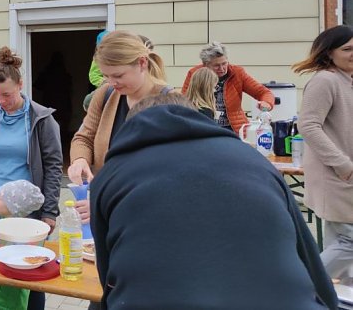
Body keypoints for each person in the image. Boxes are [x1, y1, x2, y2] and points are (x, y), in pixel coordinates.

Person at [90, 93, 337, 309]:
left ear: (132, 127)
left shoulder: (113, 172)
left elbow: (106, 268)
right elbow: (307, 252)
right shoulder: (253, 160)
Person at [0, 46, 63, 310]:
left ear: (21, 85)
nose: (1, 101)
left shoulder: (42, 120)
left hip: (26, 212)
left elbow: (54, 167)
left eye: (7, 94)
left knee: (30, 274)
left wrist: (49, 212)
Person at [68, 31, 169, 216]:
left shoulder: (169, 102)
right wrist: (80, 160)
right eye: (106, 75)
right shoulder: (105, 94)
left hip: (149, 214)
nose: (111, 82)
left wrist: (107, 204)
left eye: (118, 75)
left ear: (142, 63)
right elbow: (84, 137)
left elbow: (167, 174)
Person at [293, 25, 353, 284]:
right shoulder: (325, 80)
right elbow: (308, 126)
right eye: (347, 49)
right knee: (349, 241)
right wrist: (343, 164)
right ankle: (301, 285)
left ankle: (336, 295)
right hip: (336, 174)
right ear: (329, 54)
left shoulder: (345, 79)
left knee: (338, 239)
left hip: (343, 173)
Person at [0, 180, 45, 310]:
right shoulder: (3, 225)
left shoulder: (23, 234)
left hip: (6, 301)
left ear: (14, 207)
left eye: (1, 197)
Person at [181, 41, 275, 134]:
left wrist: (266, 102)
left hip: (234, 129)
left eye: (224, 63)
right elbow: (184, 101)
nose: (222, 69)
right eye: (216, 66)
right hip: (205, 127)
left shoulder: (237, 73)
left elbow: (264, 92)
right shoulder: (195, 74)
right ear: (205, 65)